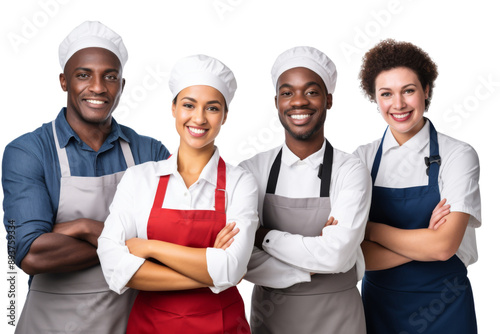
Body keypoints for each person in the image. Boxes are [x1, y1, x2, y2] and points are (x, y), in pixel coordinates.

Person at [1, 21, 169, 333]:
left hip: (129, 322)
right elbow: (29, 253)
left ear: (121, 84)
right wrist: (131, 244)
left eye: (110, 76)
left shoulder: (150, 153)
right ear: (64, 81)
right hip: (49, 325)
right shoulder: (28, 152)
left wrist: (79, 229)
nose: (98, 87)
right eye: (83, 75)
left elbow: (176, 242)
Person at [97, 54, 258, 333]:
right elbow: (114, 266)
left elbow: (232, 268)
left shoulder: (240, 182)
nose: (199, 118)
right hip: (151, 326)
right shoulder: (139, 178)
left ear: (225, 116)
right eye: (188, 105)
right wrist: (212, 272)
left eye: (212, 108)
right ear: (173, 108)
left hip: (221, 326)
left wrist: (150, 248)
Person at [239, 46, 371, 334]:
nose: (298, 101)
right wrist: (310, 265)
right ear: (276, 102)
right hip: (271, 318)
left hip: (339, 319)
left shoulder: (350, 170)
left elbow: (336, 255)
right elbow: (240, 257)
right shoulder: (250, 172)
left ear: (329, 100)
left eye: (311, 92)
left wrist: (264, 236)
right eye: (287, 93)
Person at [354, 39, 480, 333]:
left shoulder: (458, 155)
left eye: (408, 91)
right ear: (375, 99)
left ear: (426, 90)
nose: (398, 104)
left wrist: (372, 231)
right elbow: (354, 255)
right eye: (386, 94)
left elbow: (444, 246)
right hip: (379, 310)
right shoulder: (360, 159)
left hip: (446, 307)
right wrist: (426, 242)